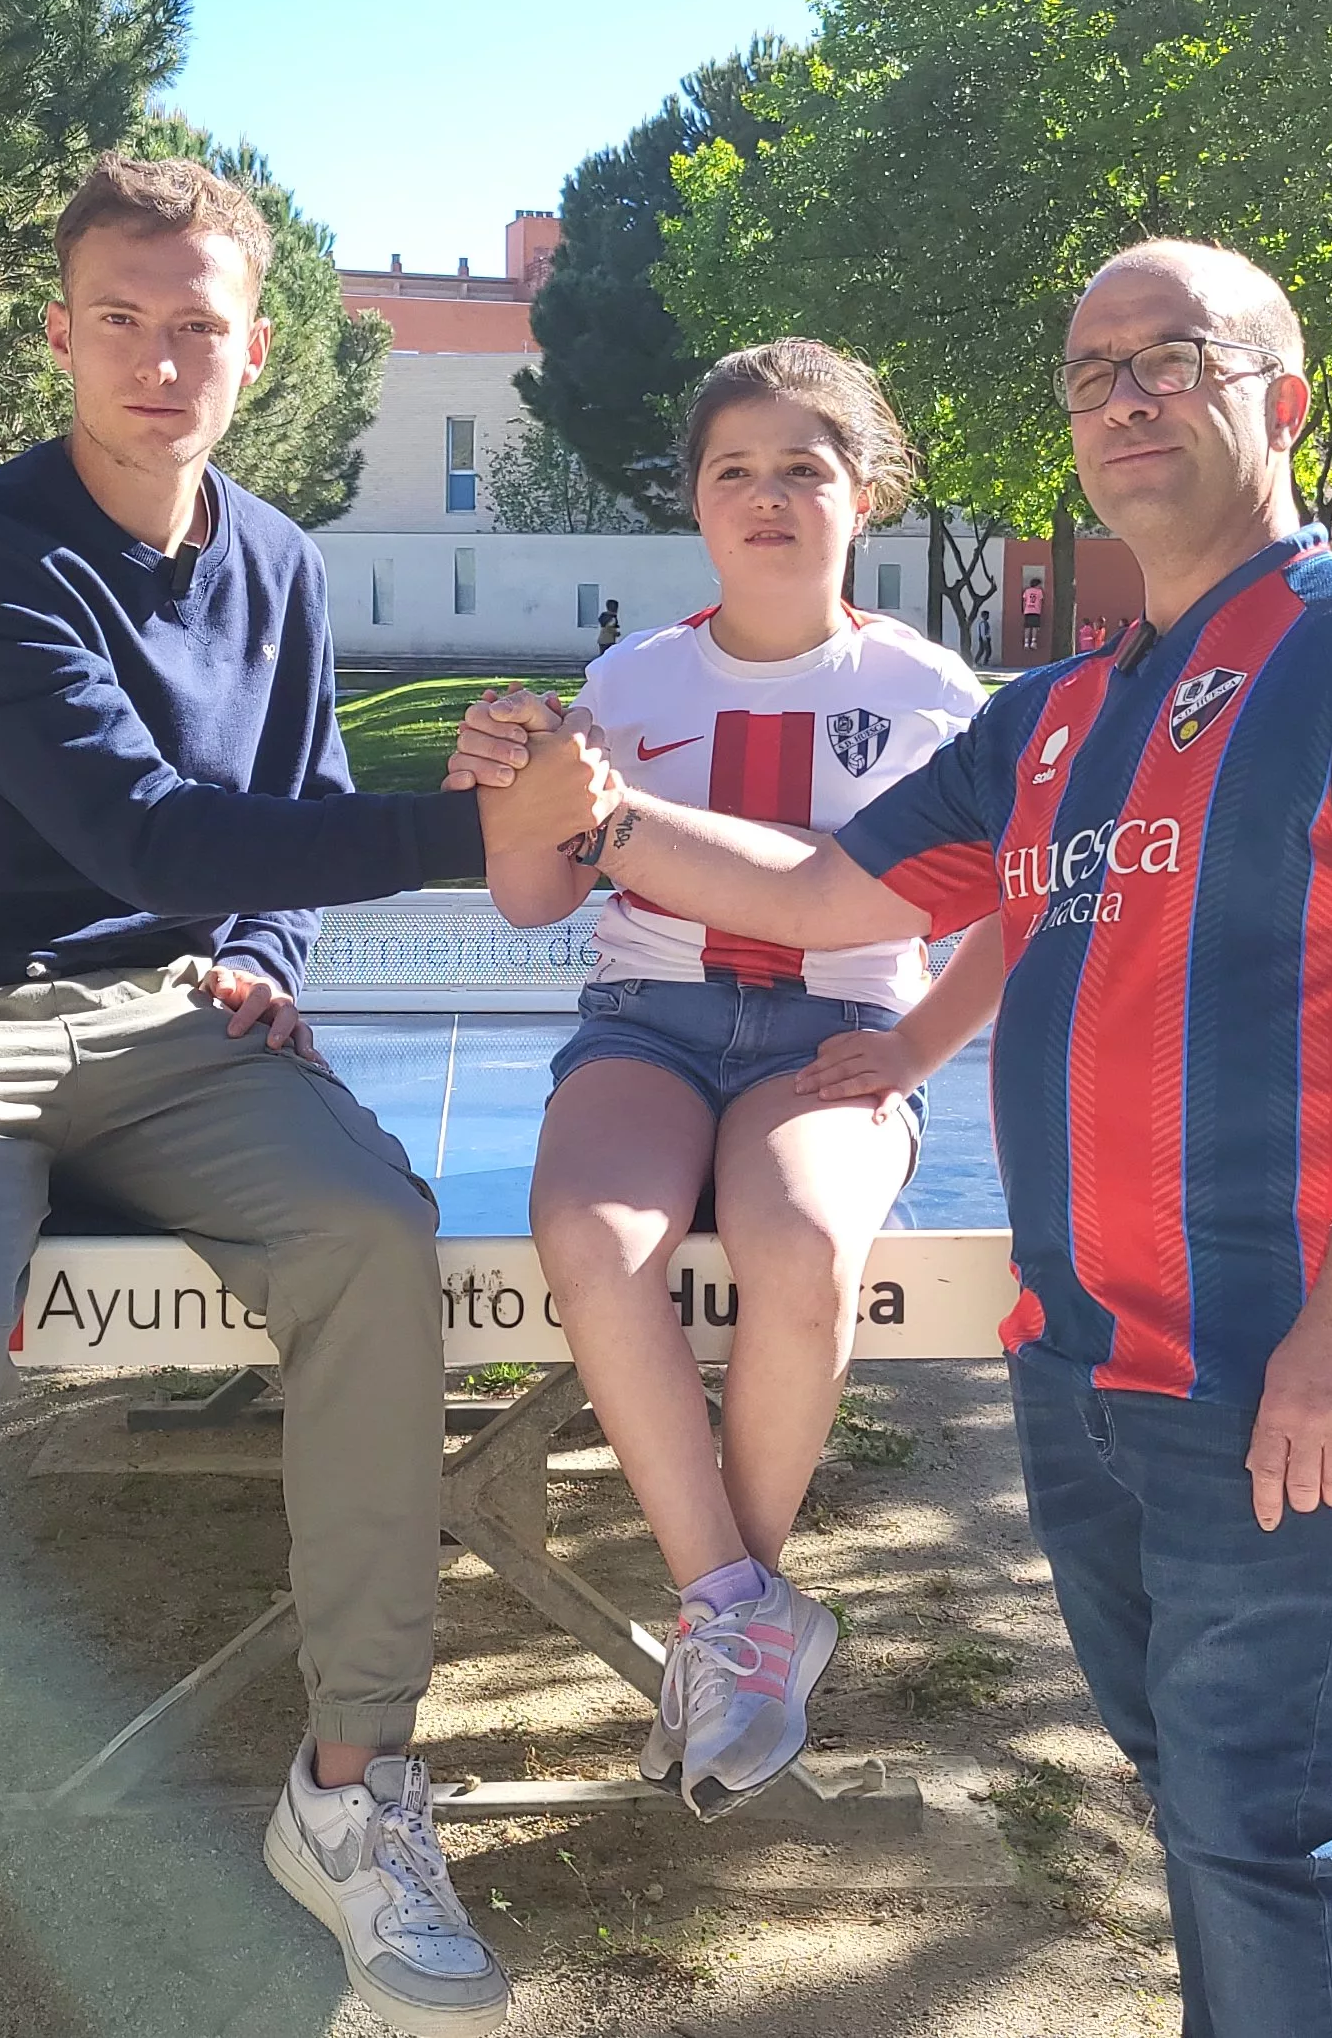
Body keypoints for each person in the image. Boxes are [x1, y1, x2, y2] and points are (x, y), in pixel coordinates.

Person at [457, 240, 1332, 2038]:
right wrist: (605, 811)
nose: (1124, 397)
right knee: (1188, 1799)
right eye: (1092, 369)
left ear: (1284, 397)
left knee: (1266, 1822)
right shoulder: (1055, 717)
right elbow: (819, 889)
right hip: (1083, 1354)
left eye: (1173, 359)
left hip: (1287, 1369)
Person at [0, 154, 522, 2038]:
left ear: (255, 351)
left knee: (374, 1235)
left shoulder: (276, 559)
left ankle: (348, 1794)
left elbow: (263, 825)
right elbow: (143, 823)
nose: (157, 358)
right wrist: (479, 832)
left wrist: (265, 949)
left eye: (197, 325)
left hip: (175, 1010)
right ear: (60, 335)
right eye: (120, 318)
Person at [462, 341, 1001, 1820]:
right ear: (693, 503)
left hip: (834, 1030)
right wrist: (509, 789)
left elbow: (1013, 900)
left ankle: (727, 1629)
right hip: (648, 1020)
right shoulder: (630, 680)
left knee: (804, 1244)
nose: (767, 497)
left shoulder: (929, 689)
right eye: (733, 471)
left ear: (867, 494)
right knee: (591, 1238)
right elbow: (532, 901)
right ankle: (743, 1618)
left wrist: (920, 1048)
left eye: (803, 469)